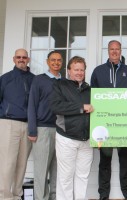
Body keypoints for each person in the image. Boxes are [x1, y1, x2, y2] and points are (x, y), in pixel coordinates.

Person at [91, 40, 127, 200]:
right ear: (108, 51)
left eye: (117, 49)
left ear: (121, 50)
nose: (115, 52)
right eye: (112, 49)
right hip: (104, 125)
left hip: (124, 124)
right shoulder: (98, 71)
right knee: (104, 162)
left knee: (125, 161)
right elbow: (93, 99)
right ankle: (103, 195)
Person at [50, 56, 94, 200]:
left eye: (82, 70)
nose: (79, 72)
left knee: (83, 176)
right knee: (65, 177)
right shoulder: (59, 85)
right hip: (66, 138)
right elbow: (56, 106)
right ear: (69, 71)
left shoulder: (89, 89)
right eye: (76, 69)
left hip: (86, 140)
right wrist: (81, 108)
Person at [27, 51, 63, 200]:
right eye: (53, 60)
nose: (56, 63)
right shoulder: (39, 80)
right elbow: (32, 105)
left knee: (57, 170)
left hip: (61, 131)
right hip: (42, 129)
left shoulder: (65, 82)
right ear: (47, 62)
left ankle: (54, 197)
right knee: (41, 170)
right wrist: (32, 130)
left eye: (59, 60)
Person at [0, 49, 35, 200]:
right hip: (9, 123)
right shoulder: (5, 78)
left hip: (27, 125)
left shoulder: (34, 79)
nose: (21, 59)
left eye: (24, 57)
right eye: (18, 57)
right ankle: (5, 196)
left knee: (22, 164)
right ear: (14, 59)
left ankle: (16, 195)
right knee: (8, 163)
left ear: (28, 59)